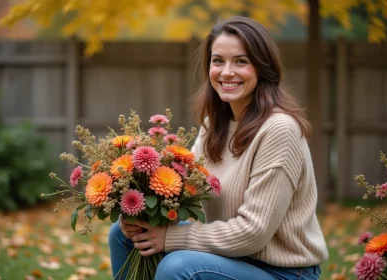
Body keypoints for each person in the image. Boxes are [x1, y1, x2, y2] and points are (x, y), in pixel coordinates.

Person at [108, 16, 328, 280]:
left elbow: (253, 233)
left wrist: (172, 237)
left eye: (241, 61)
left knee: (178, 267)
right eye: (218, 61)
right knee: (123, 233)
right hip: (229, 259)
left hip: (284, 272)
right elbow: (183, 191)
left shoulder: (279, 130)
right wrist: (142, 206)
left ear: (263, 67)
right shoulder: (214, 124)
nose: (226, 72)